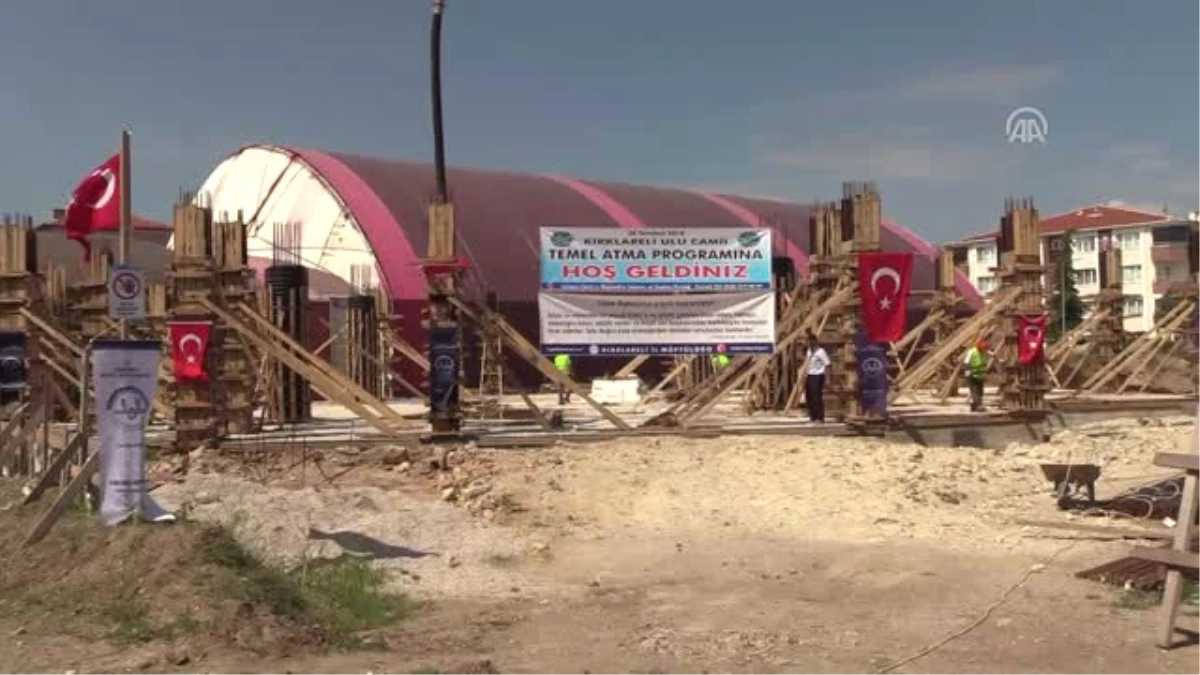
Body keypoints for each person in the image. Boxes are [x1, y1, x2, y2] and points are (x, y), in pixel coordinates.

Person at [805, 334, 831, 423]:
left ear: (814, 341)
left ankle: (819, 418)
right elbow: (808, 364)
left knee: (816, 396)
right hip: (810, 374)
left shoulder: (821, 352)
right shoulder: (809, 351)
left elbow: (827, 365)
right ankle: (813, 416)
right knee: (809, 396)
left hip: (818, 375)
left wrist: (828, 379)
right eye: (807, 341)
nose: (808, 343)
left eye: (809, 341)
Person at [962, 338, 990, 412]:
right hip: (972, 374)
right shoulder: (972, 352)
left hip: (980, 375)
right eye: (984, 348)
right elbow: (966, 362)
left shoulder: (984, 352)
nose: (985, 349)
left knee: (980, 391)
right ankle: (978, 406)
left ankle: (974, 406)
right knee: (975, 391)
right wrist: (967, 370)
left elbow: (990, 355)